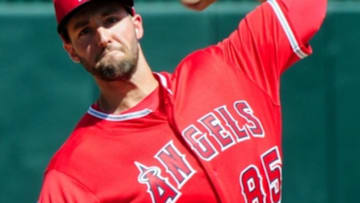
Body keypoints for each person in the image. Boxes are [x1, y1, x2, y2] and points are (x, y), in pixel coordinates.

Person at [38, 0, 327, 202]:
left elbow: (306, 7)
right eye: (84, 31)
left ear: (137, 25)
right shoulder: (74, 174)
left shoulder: (230, 67)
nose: (102, 37)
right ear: (71, 50)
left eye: (111, 20)